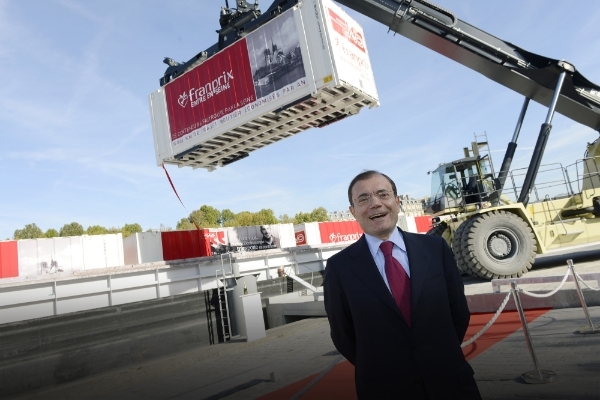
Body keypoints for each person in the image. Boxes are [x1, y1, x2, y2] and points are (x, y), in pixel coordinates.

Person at [323, 170, 481, 400]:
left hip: (450, 382)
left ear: (397, 203)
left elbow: (458, 312)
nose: (375, 204)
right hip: (386, 389)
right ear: (353, 211)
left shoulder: (436, 249)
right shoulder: (339, 268)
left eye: (382, 194)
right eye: (364, 199)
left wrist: (437, 354)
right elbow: (343, 336)